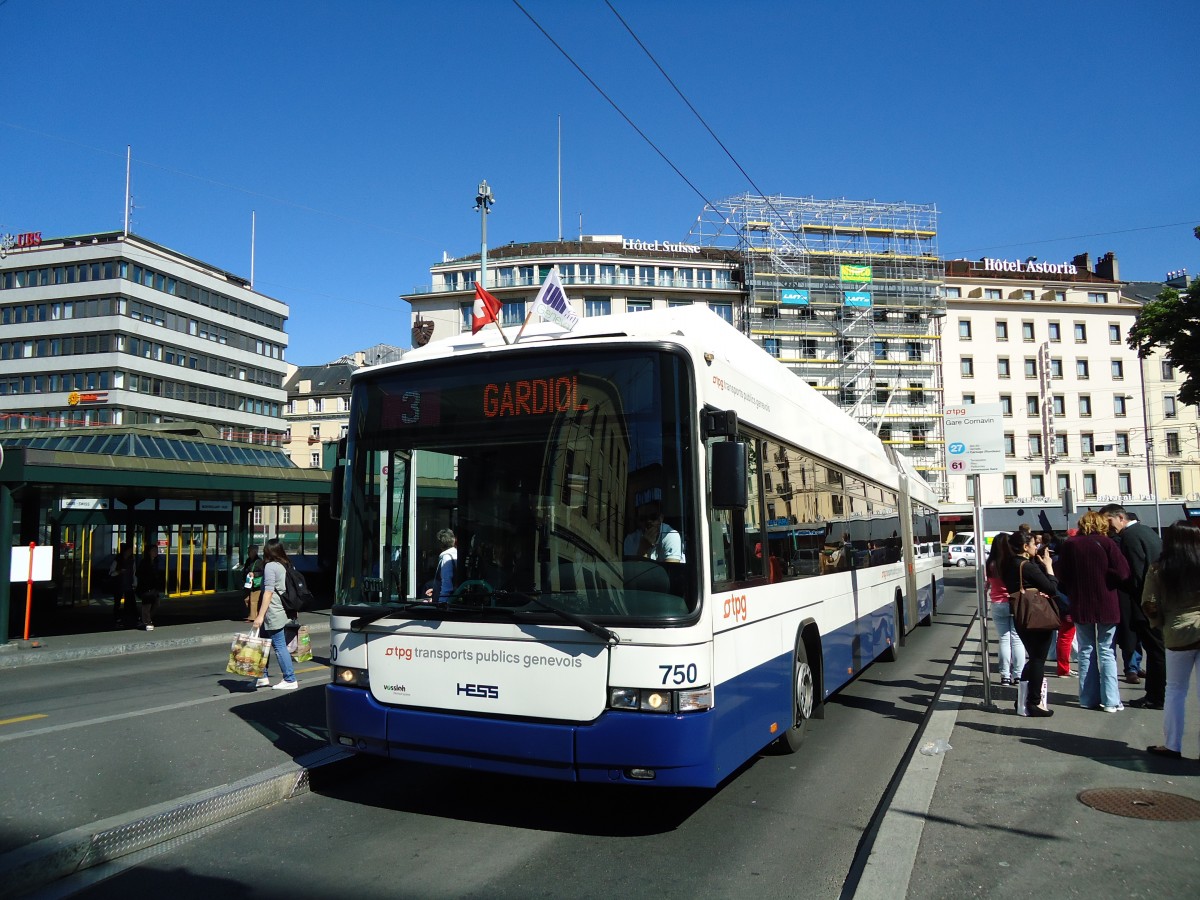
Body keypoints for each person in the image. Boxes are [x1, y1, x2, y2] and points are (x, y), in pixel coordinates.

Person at [1056, 510, 1130, 712]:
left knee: (1086, 649)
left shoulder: (1070, 544)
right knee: (1107, 651)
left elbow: (1061, 574)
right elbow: (1123, 573)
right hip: (1106, 602)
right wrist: (1106, 575)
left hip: (1081, 602)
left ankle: (1087, 698)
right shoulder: (1107, 543)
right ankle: (1111, 700)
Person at [1141, 520, 1200, 759]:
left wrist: (1161, 622)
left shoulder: (1160, 568)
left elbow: (1149, 604)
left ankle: (1173, 744)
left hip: (1178, 631)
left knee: (1175, 690)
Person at [1101, 504, 1165, 710]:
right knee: (1157, 651)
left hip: (1144, 604)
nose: (1108, 527)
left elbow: (1136, 574)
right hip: (1157, 600)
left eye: (1109, 521)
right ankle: (1156, 695)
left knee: (1156, 652)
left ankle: (1155, 696)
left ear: (1120, 517)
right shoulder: (1147, 531)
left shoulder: (1130, 537)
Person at [1003, 529, 1059, 717]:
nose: (1037, 547)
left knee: (1033, 657)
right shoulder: (1028, 566)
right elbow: (1051, 587)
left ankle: (1022, 700)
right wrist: (1049, 567)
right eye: (1034, 544)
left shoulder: (1009, 564)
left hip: (1021, 615)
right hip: (1037, 615)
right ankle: (1034, 702)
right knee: (1038, 659)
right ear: (1026, 547)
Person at [251, 537, 298, 690]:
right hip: (283, 610)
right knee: (263, 643)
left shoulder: (271, 566)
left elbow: (268, 592)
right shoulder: (286, 565)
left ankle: (290, 679)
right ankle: (262, 676)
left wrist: (259, 615)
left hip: (273, 611)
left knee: (278, 646)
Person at [985, 532, 1026, 686]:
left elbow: (986, 585)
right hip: (1015, 602)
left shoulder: (991, 564)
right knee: (1017, 639)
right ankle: (1018, 675)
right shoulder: (1013, 563)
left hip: (997, 603)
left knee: (1003, 639)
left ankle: (1005, 676)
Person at [135, 542, 164, 632]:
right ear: (149, 552)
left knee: (156, 603)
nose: (156, 552)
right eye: (154, 551)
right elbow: (139, 574)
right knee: (147, 605)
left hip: (154, 587)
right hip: (146, 587)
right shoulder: (145, 562)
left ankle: (144, 619)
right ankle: (146, 622)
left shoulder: (156, 562)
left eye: (156, 550)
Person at [424, 528, 457, 601]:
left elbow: (447, 584)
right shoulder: (455, 554)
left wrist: (441, 602)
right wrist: (435, 590)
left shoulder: (446, 558)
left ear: (440, 544)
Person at [112, 543, 136, 626]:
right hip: (119, 583)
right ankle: (117, 617)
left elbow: (134, 572)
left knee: (129, 601)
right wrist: (119, 571)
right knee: (117, 602)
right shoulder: (118, 560)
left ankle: (126, 617)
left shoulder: (131, 560)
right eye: (129, 550)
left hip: (127, 583)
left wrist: (134, 582)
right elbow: (111, 572)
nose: (130, 552)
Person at [240, 544, 264, 623]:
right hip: (248, 583)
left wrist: (254, 574)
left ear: (254, 552)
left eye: (249, 551)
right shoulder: (248, 560)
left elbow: (262, 572)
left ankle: (253, 617)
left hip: (255, 583)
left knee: (253, 600)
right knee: (247, 599)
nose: (248, 553)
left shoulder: (259, 561)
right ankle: (253, 614)